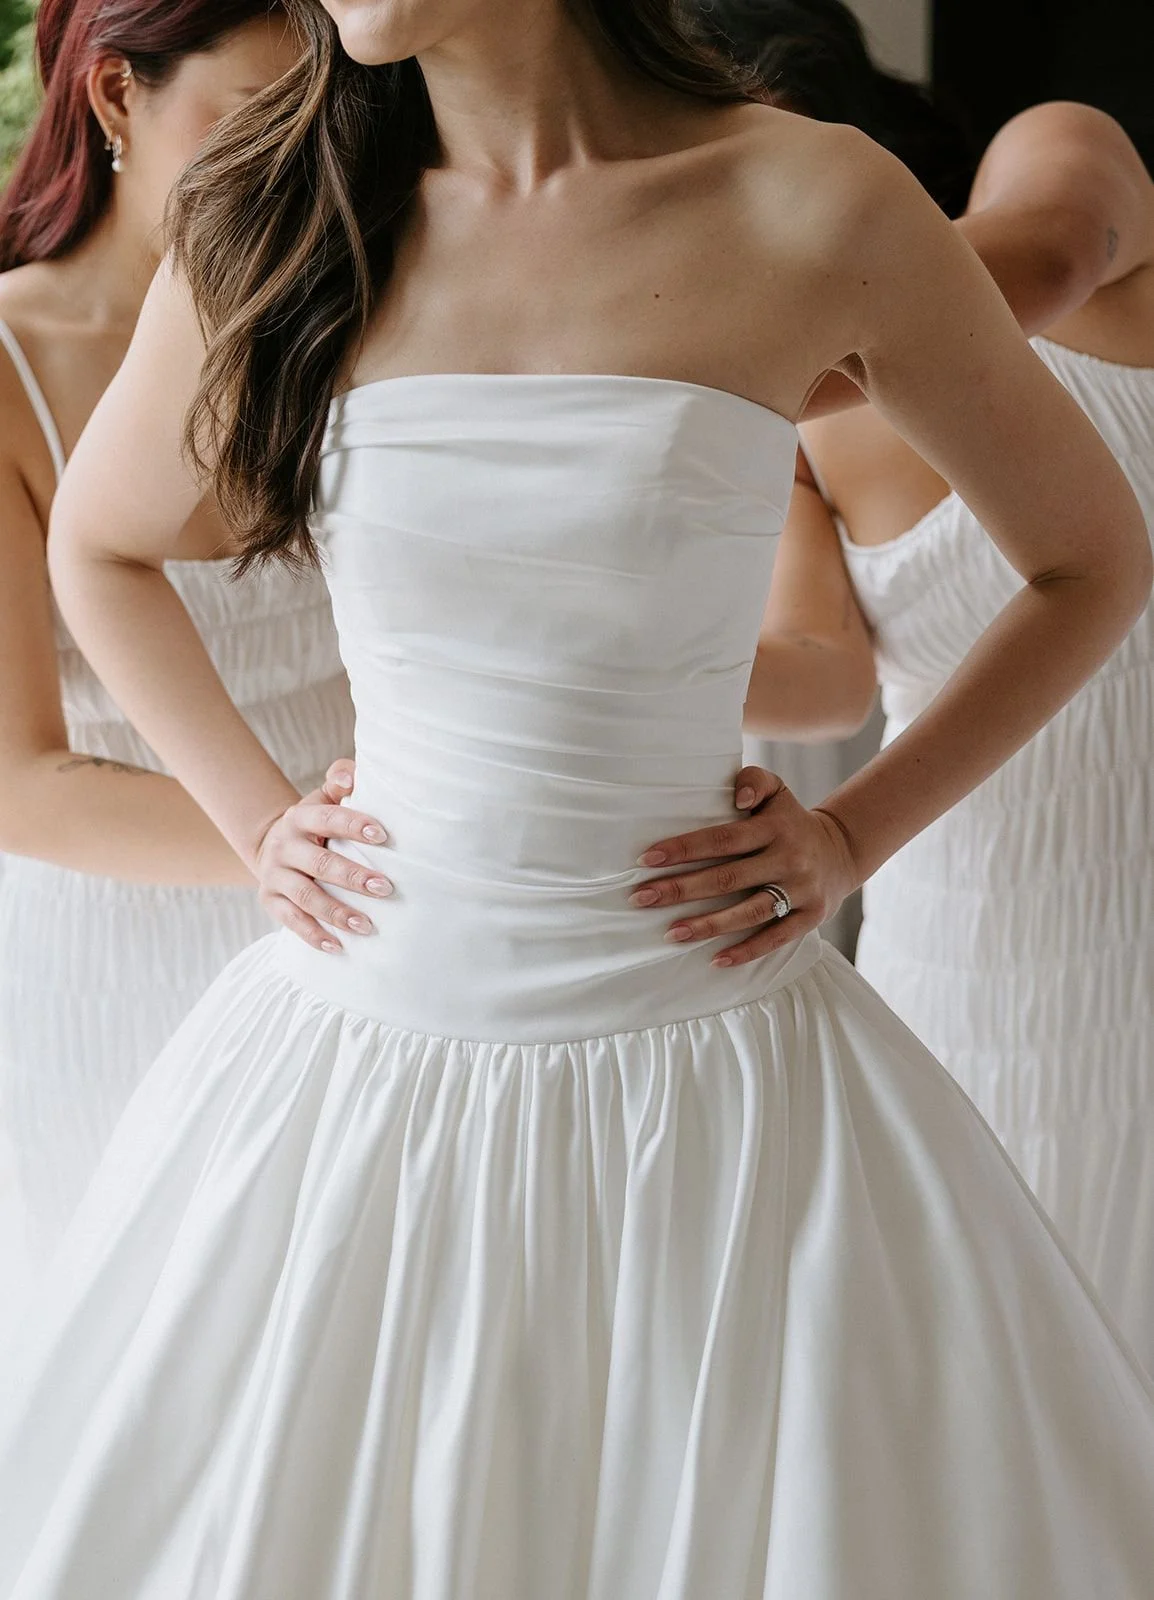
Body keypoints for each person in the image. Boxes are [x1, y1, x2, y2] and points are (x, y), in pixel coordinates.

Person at [3, 1, 1154, 1593]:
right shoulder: (278, 206)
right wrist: (254, 821)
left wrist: (848, 834)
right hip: (360, 1056)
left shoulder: (812, 201)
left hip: (724, 1061)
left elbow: (1088, 559)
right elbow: (102, 547)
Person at [657, 0, 1154, 1373]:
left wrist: (699, 377)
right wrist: (622, 647)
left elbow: (1046, 252)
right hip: (979, 959)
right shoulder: (772, 421)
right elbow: (822, 677)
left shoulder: (1054, 168)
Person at [0, 0, 377, 1292]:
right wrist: (289, 846)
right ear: (115, 98)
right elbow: (15, 783)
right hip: (125, 961)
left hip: (361, 937)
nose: (298, 165)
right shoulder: (8, 366)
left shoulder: (338, 323)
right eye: (262, 118)